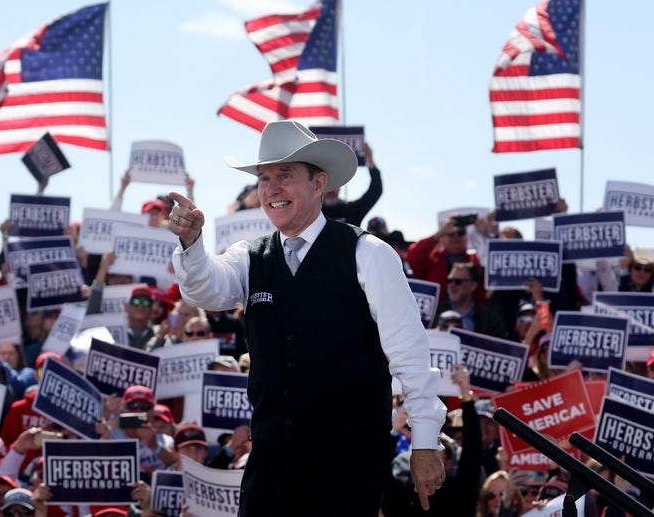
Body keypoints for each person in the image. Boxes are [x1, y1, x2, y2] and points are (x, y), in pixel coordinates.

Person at [166, 120, 446, 516]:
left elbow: (410, 355)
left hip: (348, 457)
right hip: (272, 456)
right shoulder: (250, 256)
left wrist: (424, 443)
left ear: (319, 185)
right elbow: (204, 289)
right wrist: (192, 243)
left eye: (285, 175)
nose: (272, 189)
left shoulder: (369, 253)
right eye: (264, 178)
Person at [321, 141, 382, 226]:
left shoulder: (351, 210)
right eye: (329, 183)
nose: (333, 187)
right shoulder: (312, 212)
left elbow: (375, 191)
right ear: (321, 185)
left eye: (336, 182)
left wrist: (370, 161)